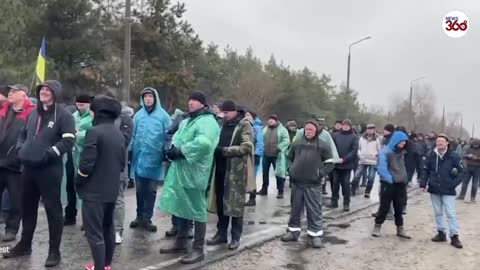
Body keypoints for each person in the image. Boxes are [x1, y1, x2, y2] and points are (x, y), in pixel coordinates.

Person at [4, 80, 76, 267]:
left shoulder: (64, 115)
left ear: (55, 93)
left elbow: (68, 141)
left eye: (47, 89)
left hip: (49, 170)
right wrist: (20, 149)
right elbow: (23, 133)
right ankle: (25, 245)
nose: (43, 92)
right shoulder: (34, 112)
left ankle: (54, 251)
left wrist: (49, 154)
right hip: (28, 169)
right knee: (27, 209)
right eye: (42, 89)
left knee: (53, 211)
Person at [159, 90, 220, 264]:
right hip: (181, 170)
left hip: (195, 172)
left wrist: (182, 150)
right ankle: (181, 242)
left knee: (197, 209)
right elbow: (177, 137)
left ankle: (198, 249)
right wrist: (171, 151)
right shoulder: (186, 120)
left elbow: (205, 143)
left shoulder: (208, 121)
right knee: (182, 205)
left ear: (203, 103)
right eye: (190, 100)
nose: (191, 102)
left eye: (195, 100)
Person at [75, 95, 125, 270]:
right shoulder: (118, 134)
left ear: (96, 112)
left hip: (93, 192)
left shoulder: (94, 132)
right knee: (108, 228)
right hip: (111, 190)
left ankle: (98, 267)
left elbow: (86, 164)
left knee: (94, 233)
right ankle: (106, 265)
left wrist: (79, 181)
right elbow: (121, 164)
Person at [207, 100, 254, 250]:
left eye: (226, 113)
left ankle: (235, 237)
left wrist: (225, 150)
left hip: (236, 172)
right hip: (220, 169)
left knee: (235, 205)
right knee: (221, 203)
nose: (224, 115)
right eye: (223, 112)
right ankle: (221, 234)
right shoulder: (222, 124)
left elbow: (247, 147)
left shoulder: (244, 125)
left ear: (234, 111)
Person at [281, 120, 334, 248]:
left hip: (313, 184)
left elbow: (330, 163)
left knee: (314, 210)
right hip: (297, 182)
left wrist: (320, 174)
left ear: (316, 131)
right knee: (295, 209)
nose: (308, 132)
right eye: (306, 129)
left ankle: (315, 235)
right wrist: (290, 169)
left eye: (311, 129)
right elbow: (288, 157)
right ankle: (293, 232)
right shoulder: (297, 142)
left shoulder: (323, 145)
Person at [129, 87, 171, 232]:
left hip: (155, 158)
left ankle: (147, 218)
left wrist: (166, 151)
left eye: (150, 96)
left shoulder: (163, 116)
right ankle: (139, 216)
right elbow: (133, 135)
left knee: (151, 190)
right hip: (139, 158)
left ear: (155, 98)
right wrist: (129, 151)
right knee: (139, 189)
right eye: (145, 96)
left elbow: (169, 135)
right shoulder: (138, 116)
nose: (148, 99)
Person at [0, 84, 35, 242]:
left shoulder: (31, 113)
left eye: (15, 91)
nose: (11, 93)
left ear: (24, 95)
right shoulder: (4, 109)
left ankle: (12, 229)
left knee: (16, 200)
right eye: (10, 91)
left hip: (16, 165)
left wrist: (22, 156)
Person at [419, 134, 464, 249]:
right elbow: (425, 170)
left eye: (442, 141)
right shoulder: (431, 155)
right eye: (438, 141)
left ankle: (454, 236)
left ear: (447, 143)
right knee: (438, 212)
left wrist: (453, 184)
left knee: (451, 213)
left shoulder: (454, 156)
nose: (439, 143)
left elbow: (462, 171)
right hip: (434, 188)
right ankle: (441, 233)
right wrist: (423, 183)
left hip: (448, 189)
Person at [371, 131, 411, 239]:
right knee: (384, 207)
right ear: (396, 140)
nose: (403, 143)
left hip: (401, 184)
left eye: (405, 142)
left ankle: (400, 229)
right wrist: (390, 179)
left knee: (399, 208)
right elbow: (382, 168)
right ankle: (377, 226)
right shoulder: (385, 152)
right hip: (389, 184)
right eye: (401, 141)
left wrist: (404, 179)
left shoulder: (402, 153)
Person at [163, 109, 194, 239]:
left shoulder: (201, 122)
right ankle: (175, 225)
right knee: (175, 193)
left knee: (188, 196)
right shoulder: (181, 118)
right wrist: (171, 146)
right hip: (176, 160)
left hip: (189, 162)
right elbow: (169, 132)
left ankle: (189, 227)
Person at [64, 94, 93, 226]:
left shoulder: (93, 116)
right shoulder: (73, 116)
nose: (80, 106)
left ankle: (87, 218)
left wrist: (77, 134)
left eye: (83, 104)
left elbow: (92, 134)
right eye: (78, 104)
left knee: (85, 187)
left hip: (85, 156)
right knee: (70, 185)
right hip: (71, 153)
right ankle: (70, 214)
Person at [294, 117, 339, 195]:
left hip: (319, 161)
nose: (320, 125)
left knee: (320, 179)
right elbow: (293, 147)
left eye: (322, 123)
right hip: (301, 166)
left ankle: (322, 188)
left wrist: (335, 158)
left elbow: (331, 146)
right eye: (319, 123)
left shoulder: (325, 134)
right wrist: (291, 169)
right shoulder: (301, 132)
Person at [113, 101, 134, 245]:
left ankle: (117, 230)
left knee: (118, 199)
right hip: (101, 167)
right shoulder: (102, 119)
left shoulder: (126, 120)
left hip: (118, 166)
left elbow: (124, 141)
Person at [257, 115, 290, 198]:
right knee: (265, 173)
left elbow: (286, 140)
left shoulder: (282, 130)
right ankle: (264, 189)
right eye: (269, 120)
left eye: (272, 120)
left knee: (279, 173)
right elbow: (260, 139)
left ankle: (280, 191)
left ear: (276, 121)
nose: (270, 121)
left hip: (277, 155)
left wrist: (279, 148)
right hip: (266, 155)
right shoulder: (265, 129)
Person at [330, 119, 358, 211]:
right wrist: (335, 158)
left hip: (347, 165)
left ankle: (346, 203)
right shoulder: (335, 135)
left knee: (345, 184)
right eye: (344, 125)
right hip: (336, 164)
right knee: (335, 184)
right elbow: (332, 147)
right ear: (341, 126)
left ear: (350, 126)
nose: (345, 126)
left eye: (347, 125)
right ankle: (334, 201)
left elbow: (354, 151)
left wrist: (345, 159)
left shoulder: (353, 137)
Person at [351, 124, 381, 198]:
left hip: (373, 161)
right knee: (356, 176)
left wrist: (376, 156)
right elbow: (358, 148)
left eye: (371, 129)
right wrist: (360, 155)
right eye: (368, 129)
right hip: (363, 160)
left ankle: (368, 191)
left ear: (374, 130)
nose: (369, 131)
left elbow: (379, 150)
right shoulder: (362, 139)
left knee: (371, 178)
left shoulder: (377, 139)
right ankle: (352, 189)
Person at [244, 110, 264, 206]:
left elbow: (260, 142)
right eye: (245, 115)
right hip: (245, 155)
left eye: (248, 115)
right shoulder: (244, 126)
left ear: (253, 117)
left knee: (252, 177)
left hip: (253, 155)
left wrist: (257, 154)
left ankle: (252, 198)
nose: (246, 116)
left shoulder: (257, 128)